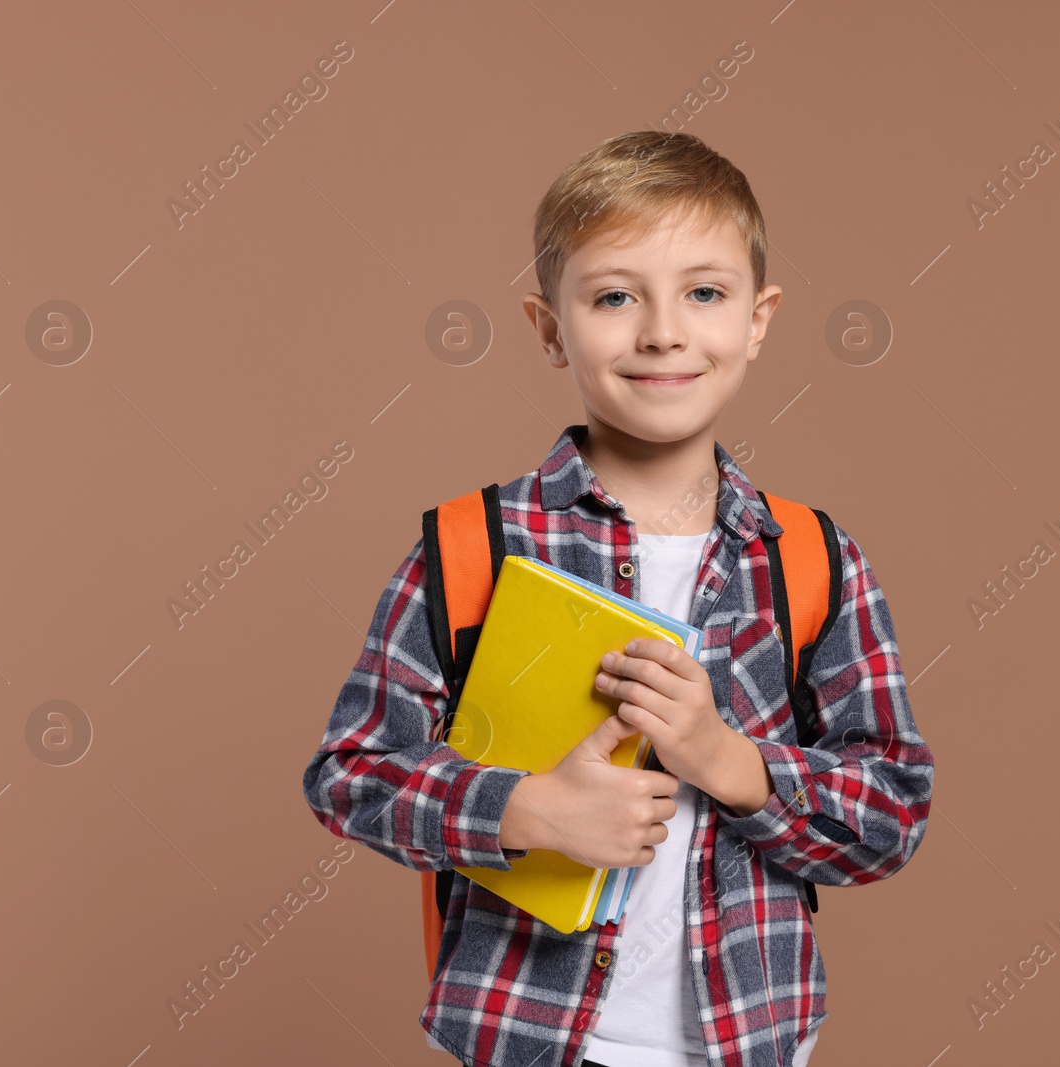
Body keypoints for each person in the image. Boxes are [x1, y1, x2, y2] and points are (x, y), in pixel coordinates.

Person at [301, 130, 935, 1067]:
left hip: (754, 1039)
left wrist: (732, 762)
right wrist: (524, 812)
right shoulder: (472, 547)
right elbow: (350, 775)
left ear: (758, 320)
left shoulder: (811, 558)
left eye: (705, 293)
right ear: (550, 327)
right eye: (613, 297)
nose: (664, 332)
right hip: (530, 1037)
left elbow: (891, 815)